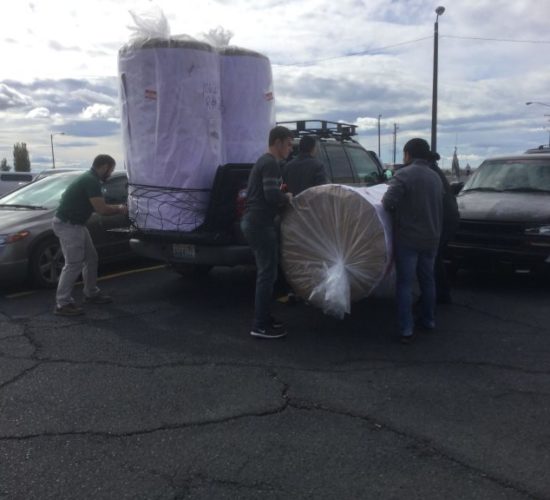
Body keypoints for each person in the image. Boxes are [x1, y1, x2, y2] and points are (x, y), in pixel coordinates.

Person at [382, 138, 444, 344]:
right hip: (432, 237)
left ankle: (406, 328)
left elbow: (388, 202)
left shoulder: (403, 175)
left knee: (405, 284)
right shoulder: (436, 177)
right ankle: (428, 320)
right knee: (428, 280)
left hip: (409, 238)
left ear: (408, 154)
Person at [52, 154, 128, 316]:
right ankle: (62, 303)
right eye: (111, 169)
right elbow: (102, 209)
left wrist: (116, 206)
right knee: (73, 263)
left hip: (76, 224)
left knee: (91, 258)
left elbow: (96, 206)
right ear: (105, 166)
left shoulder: (89, 179)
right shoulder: (91, 181)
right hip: (69, 225)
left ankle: (91, 293)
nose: (110, 173)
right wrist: (121, 209)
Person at [240, 126, 294, 339]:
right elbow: (271, 195)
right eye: (289, 144)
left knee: (268, 273)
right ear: (278, 142)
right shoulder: (271, 162)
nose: (291, 149)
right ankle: (260, 325)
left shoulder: (265, 162)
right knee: (267, 274)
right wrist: (286, 198)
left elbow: (267, 191)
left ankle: (265, 316)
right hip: (260, 224)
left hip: (255, 222)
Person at [428, 152, 459, 304]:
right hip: (448, 219)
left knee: (431, 260)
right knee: (436, 259)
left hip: (441, 221)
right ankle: (442, 293)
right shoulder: (435, 171)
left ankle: (435, 296)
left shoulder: (429, 173)